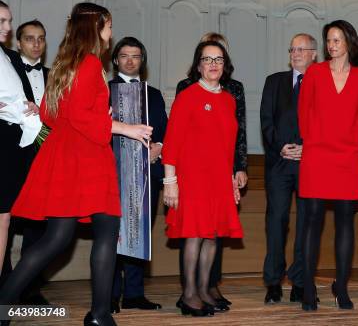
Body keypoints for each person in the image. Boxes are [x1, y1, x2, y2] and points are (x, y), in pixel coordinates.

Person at [0, 2, 153, 326]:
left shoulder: (65, 63)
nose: (111, 34)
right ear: (96, 27)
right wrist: (125, 126)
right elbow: (82, 116)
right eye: (108, 27)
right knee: (106, 232)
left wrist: (98, 117)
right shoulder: (88, 64)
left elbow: (48, 113)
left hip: (65, 156)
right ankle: (98, 315)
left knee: (56, 239)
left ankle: (3, 306)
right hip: (87, 158)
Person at [163, 40, 243, 317]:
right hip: (193, 177)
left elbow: (230, 144)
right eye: (207, 60)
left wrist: (232, 178)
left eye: (218, 60)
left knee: (213, 236)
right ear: (198, 65)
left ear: (225, 65)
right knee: (194, 235)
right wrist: (170, 182)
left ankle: (206, 289)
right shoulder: (188, 95)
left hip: (219, 178)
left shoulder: (229, 100)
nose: (213, 65)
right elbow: (171, 142)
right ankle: (189, 294)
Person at [298, 20, 358, 311]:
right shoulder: (314, 73)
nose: (331, 45)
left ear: (349, 43)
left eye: (337, 40)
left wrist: (347, 145)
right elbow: (304, 114)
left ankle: (341, 287)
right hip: (316, 156)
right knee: (311, 224)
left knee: (345, 224)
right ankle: (306, 288)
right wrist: (315, 143)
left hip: (347, 157)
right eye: (329, 40)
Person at [109, 37, 167, 313]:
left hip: (147, 174)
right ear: (115, 60)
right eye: (124, 56)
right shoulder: (104, 90)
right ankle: (108, 295)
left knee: (139, 233)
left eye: (136, 56)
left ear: (142, 61)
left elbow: (164, 130)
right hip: (112, 173)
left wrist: (159, 148)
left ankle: (134, 294)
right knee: (112, 235)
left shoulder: (153, 93)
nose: (130, 61)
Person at [261, 33, 317, 304]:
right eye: (292, 49)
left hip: (311, 164)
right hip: (279, 164)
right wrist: (282, 146)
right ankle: (273, 282)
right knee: (276, 222)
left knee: (307, 224)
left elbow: (328, 123)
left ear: (314, 54)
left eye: (302, 49)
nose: (295, 54)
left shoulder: (324, 84)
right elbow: (266, 120)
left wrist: (309, 148)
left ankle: (300, 281)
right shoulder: (274, 82)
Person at [1, 19, 50, 305]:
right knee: (4, 219)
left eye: (41, 38)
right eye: (30, 38)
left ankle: (30, 288)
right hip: (13, 154)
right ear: (18, 43)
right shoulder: (7, 67)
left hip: (45, 157)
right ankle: (6, 287)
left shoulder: (53, 74)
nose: (36, 43)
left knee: (38, 225)